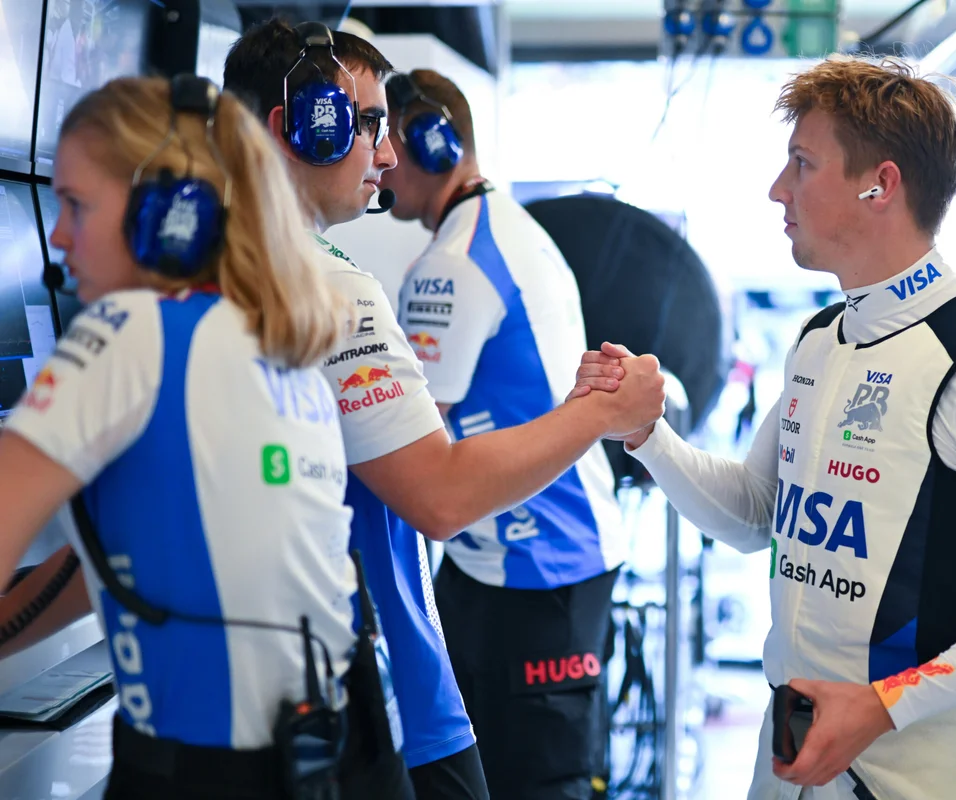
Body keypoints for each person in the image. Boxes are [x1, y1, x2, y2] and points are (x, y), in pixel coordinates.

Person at [575, 56, 956, 799]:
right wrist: (647, 435)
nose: (777, 189)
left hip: (922, 773)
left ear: (879, 185)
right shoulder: (821, 338)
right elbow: (757, 514)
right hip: (791, 752)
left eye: (802, 163)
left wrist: (885, 706)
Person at [221, 20, 663, 799]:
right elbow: (438, 492)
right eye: (367, 125)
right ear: (301, 127)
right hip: (400, 645)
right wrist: (601, 413)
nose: (387, 155)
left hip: (297, 659)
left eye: (390, 129)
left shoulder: (196, 273)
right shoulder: (355, 282)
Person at [0, 75, 413, 799]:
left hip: (203, 774)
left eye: (75, 205)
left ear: (168, 212)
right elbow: (143, 555)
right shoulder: (276, 338)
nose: (58, 237)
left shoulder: (132, 332)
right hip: (335, 755)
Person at [378, 69, 626, 800]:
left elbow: (409, 437)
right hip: (509, 559)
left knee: (533, 784)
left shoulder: (453, 264)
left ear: (435, 143)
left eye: (386, 138)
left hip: (538, 564)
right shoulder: (505, 228)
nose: (380, 162)